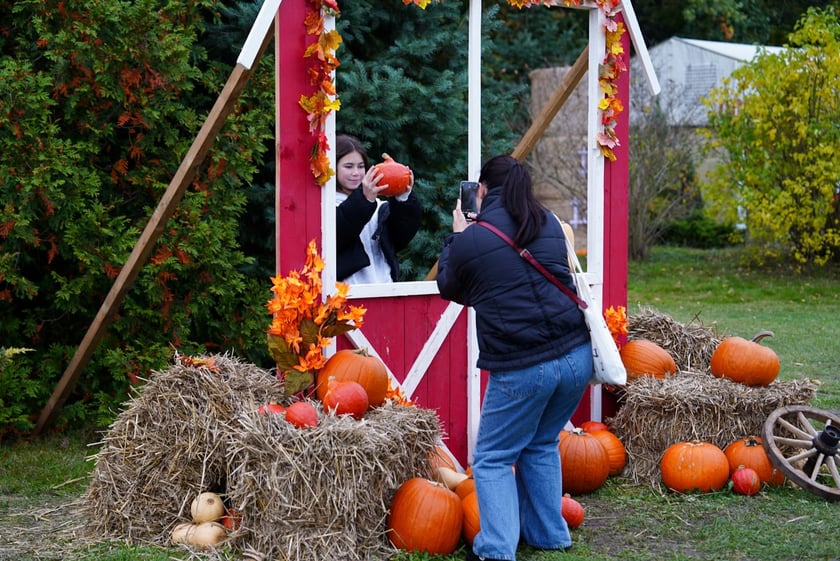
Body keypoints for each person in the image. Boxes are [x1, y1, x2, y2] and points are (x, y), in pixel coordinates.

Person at [436, 155, 592, 561]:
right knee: (540, 443)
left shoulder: (472, 239)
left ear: (483, 190)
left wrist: (456, 236)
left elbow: (452, 287)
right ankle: (549, 535)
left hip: (526, 366)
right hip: (576, 358)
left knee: (491, 458)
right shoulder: (551, 226)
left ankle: (495, 550)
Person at [334, 134, 422, 283]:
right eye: (348, 167)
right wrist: (365, 199)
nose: (356, 173)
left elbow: (401, 238)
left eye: (361, 166)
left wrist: (403, 197)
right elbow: (341, 233)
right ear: (333, 167)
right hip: (346, 292)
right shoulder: (325, 206)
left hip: (385, 287)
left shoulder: (379, 206)